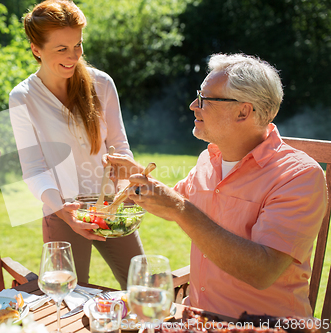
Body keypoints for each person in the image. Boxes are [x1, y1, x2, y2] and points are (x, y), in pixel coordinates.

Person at [106, 53, 327, 318]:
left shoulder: (298, 176)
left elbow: (263, 271)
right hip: (198, 318)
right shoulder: (209, 159)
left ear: (243, 111)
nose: (192, 105)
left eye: (204, 99)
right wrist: (140, 182)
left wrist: (179, 208)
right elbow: (172, 202)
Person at [9, 0, 143, 288]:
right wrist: (63, 212)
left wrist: (121, 192)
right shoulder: (22, 98)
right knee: (67, 298)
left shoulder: (102, 84)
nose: (73, 56)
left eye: (78, 45)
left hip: (111, 206)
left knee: (141, 287)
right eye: (62, 49)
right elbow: (34, 168)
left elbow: (119, 145)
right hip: (62, 211)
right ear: (36, 49)